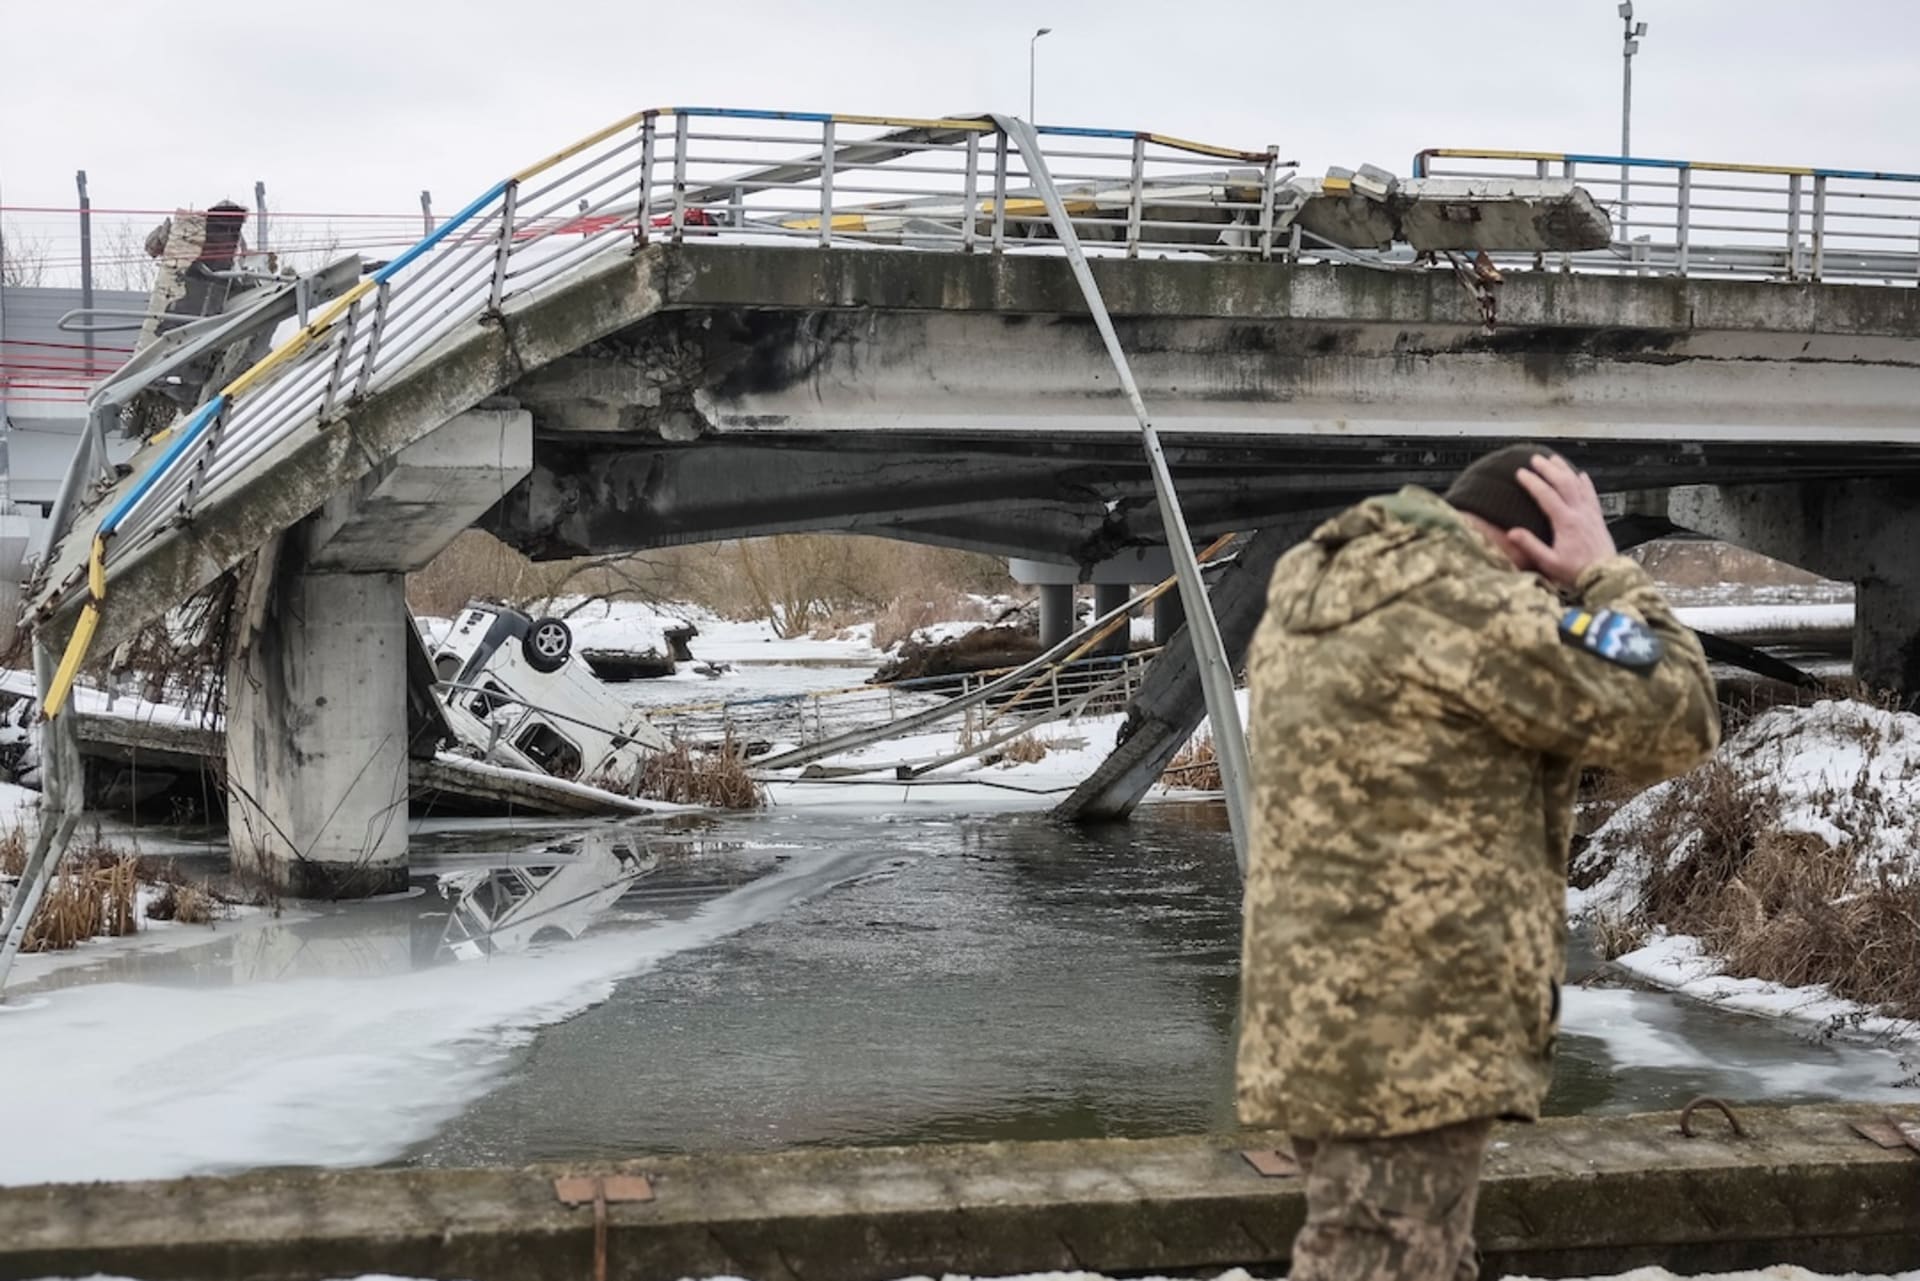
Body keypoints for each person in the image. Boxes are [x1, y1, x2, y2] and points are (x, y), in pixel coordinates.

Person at [1236, 446, 1720, 1281]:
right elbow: (1681, 712)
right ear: (1525, 551)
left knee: (1409, 1257)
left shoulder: (1313, 590)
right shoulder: (1473, 607)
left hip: (1316, 1026)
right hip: (1415, 1042)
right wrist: (1603, 574)